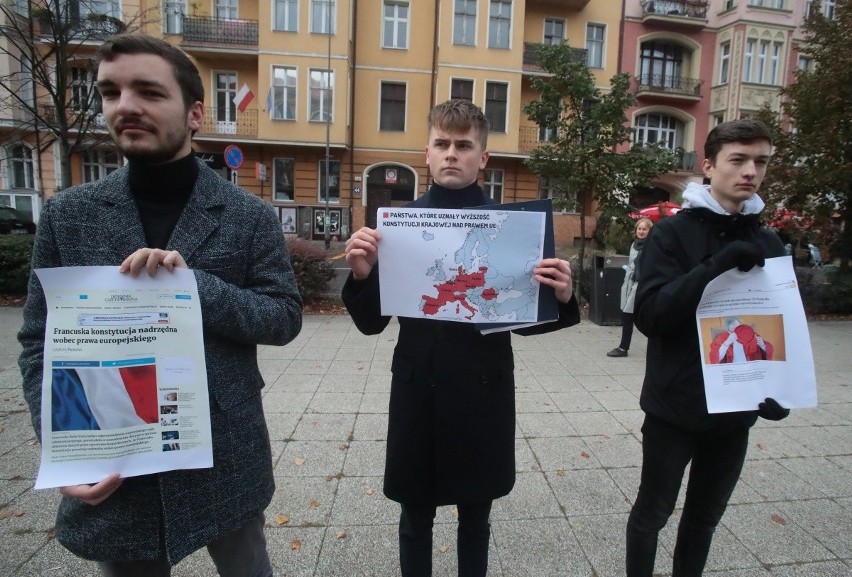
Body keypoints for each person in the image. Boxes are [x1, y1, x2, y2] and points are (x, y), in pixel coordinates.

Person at [17, 34, 303, 577]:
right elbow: (38, 342)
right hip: (116, 456)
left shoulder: (246, 215)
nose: (126, 106)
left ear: (195, 112)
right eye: (110, 92)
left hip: (223, 453)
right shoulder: (67, 215)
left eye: (149, 92)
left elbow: (283, 317)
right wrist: (62, 448)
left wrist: (196, 288)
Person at [342, 99, 580, 577]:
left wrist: (564, 294)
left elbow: (530, 318)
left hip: (483, 391)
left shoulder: (513, 229)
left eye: (464, 145)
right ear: (426, 154)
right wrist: (363, 276)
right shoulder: (400, 227)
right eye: (443, 144)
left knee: (476, 517)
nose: (452, 154)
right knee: (414, 517)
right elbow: (371, 324)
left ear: (483, 158)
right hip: (417, 389)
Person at [625, 119, 791, 577]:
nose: (750, 171)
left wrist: (780, 390)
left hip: (734, 413)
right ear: (709, 165)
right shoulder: (671, 234)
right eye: (738, 160)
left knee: (703, 519)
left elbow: (777, 329)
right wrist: (715, 266)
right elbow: (652, 316)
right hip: (673, 407)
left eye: (760, 161)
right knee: (652, 515)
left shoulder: (768, 240)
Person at [607, 217, 654, 358]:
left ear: (650, 231)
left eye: (644, 229)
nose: (641, 231)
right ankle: (624, 347)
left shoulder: (652, 245)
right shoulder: (634, 245)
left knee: (629, 315)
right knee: (628, 315)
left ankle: (623, 348)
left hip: (641, 284)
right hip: (629, 282)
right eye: (639, 228)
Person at [709, 316, 774, 364]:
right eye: (732, 325)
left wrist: (762, 345)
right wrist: (727, 343)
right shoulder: (721, 338)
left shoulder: (750, 334)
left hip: (750, 366)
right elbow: (715, 358)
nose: (736, 328)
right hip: (732, 368)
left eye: (738, 325)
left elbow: (767, 350)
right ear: (727, 328)